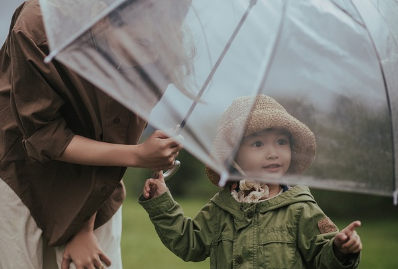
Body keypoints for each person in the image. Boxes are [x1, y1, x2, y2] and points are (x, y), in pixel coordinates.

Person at [0, 0, 191, 268]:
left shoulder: (160, 51)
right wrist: (138, 156)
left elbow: (116, 136)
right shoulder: (38, 27)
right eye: (145, 44)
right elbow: (43, 134)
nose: (154, 56)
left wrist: (84, 226)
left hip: (99, 178)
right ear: (103, 20)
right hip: (21, 172)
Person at [139, 94, 362, 268]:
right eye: (258, 144)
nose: (273, 153)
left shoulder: (300, 208)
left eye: (281, 142)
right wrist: (162, 204)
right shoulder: (222, 207)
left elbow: (322, 257)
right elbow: (190, 243)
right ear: (234, 156)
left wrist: (340, 249)